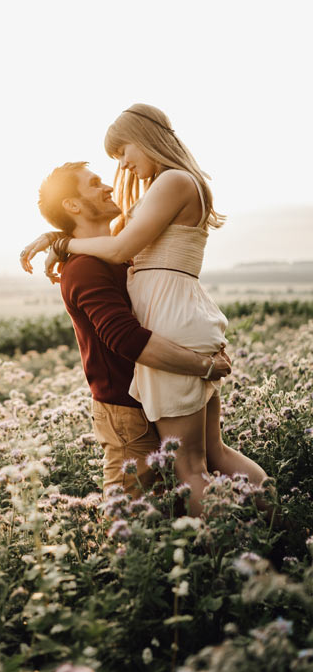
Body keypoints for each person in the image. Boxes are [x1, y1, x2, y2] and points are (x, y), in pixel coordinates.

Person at [21, 105, 269, 515]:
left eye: (122, 151)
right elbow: (114, 240)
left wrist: (63, 244)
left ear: (146, 136)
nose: (121, 166)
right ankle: (277, 521)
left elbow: (118, 247)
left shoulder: (173, 181)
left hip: (170, 320)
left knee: (191, 466)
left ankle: (227, 554)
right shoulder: (168, 186)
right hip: (181, 315)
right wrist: (58, 235)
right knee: (211, 455)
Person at [22, 160, 231, 501]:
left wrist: (56, 239)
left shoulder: (118, 252)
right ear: (72, 205)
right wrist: (203, 366)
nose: (108, 186)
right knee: (130, 518)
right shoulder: (86, 269)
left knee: (168, 506)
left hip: (155, 390)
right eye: (94, 183)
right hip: (125, 410)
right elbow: (127, 340)